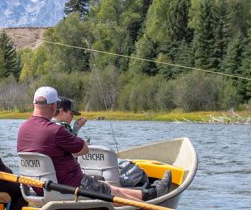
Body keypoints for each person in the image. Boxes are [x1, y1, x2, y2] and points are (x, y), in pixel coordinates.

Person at [16, 86, 171, 201]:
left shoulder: (22, 130)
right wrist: (80, 141)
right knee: (113, 193)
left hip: (38, 188)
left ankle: (150, 194)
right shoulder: (55, 131)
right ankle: (151, 204)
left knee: (111, 189)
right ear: (53, 106)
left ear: (33, 105)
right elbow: (82, 150)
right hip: (71, 186)